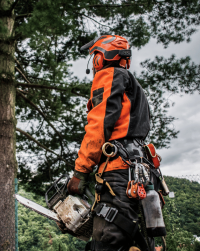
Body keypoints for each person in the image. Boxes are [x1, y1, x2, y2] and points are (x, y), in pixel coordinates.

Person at [67, 35, 159, 251]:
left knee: (107, 240)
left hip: (118, 174)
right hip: (140, 172)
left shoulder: (109, 75)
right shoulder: (135, 87)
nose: (95, 63)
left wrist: (80, 171)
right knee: (132, 241)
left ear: (101, 57)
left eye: (95, 57)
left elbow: (98, 126)